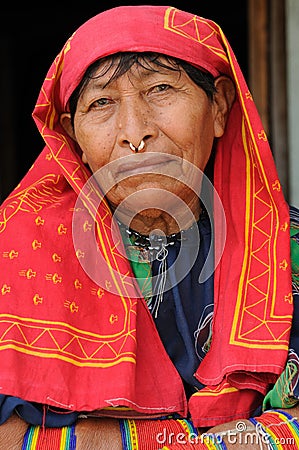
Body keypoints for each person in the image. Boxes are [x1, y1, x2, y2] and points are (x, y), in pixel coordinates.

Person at [0, 4, 298, 449]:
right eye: (102, 103)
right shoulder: (14, 251)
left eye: (160, 88)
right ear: (71, 135)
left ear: (218, 106)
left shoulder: (288, 246)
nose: (134, 132)